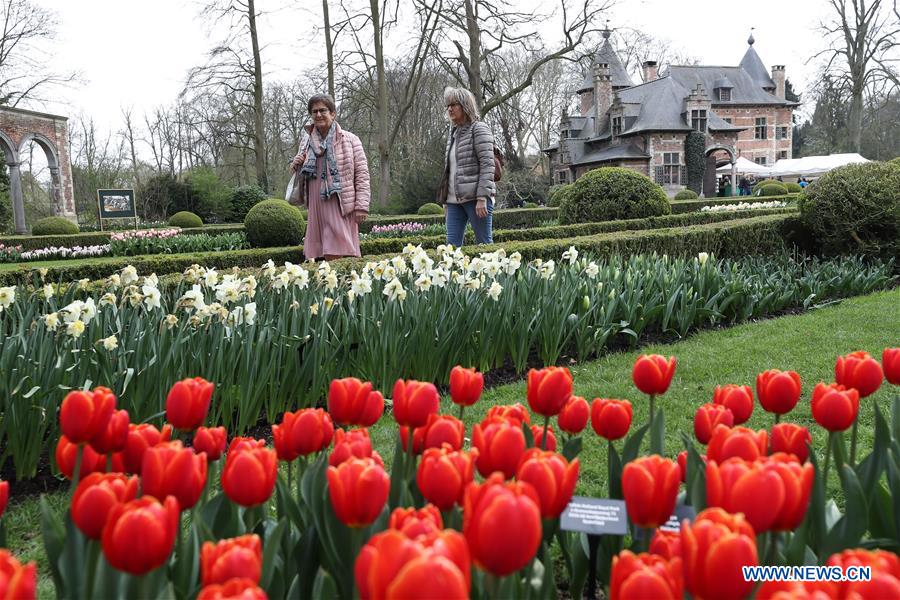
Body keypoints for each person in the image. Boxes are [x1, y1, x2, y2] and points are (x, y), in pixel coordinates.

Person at [290, 93, 369, 260]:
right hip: (316, 202)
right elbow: (301, 172)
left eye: (322, 110)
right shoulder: (306, 141)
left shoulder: (350, 139)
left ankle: (342, 283)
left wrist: (361, 206)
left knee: (338, 247)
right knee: (322, 251)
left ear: (333, 113)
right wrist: (297, 164)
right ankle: (333, 283)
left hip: (339, 200)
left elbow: (362, 174)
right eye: (314, 111)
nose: (318, 115)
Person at [436, 87, 497, 246]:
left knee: (484, 246)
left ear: (465, 106)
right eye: (447, 105)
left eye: (454, 104)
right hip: (453, 202)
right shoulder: (453, 134)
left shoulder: (479, 128)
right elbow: (449, 170)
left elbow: (487, 165)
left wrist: (483, 197)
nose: (449, 109)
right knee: (451, 250)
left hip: (476, 199)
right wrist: (445, 200)